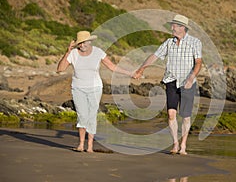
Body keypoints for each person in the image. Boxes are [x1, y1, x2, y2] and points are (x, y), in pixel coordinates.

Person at [133, 14, 202, 155]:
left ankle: (183, 145)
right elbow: (154, 56)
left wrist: (191, 78)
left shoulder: (195, 42)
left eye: (175, 25)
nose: (172, 28)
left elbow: (198, 63)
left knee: (186, 116)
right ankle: (175, 144)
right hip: (171, 81)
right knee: (171, 114)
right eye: (172, 25)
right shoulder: (168, 43)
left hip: (187, 82)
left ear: (182, 28)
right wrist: (141, 68)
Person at [57, 31, 132, 153]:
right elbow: (60, 69)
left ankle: (90, 146)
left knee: (91, 116)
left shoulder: (98, 52)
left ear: (89, 41)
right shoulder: (73, 54)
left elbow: (112, 67)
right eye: (79, 43)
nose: (82, 45)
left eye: (84, 42)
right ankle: (81, 144)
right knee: (82, 115)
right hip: (78, 88)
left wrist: (130, 74)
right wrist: (67, 52)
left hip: (95, 88)